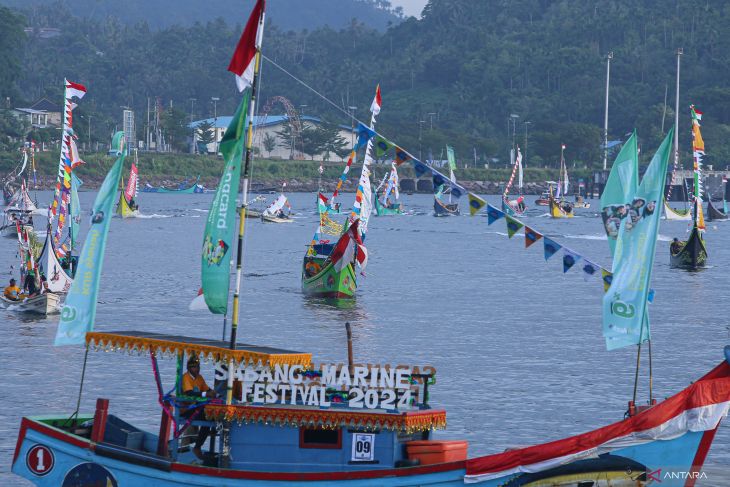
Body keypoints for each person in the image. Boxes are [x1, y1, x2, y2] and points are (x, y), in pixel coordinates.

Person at [181, 355, 218, 460]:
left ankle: (204, 435)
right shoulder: (186, 377)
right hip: (187, 409)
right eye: (194, 367)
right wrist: (206, 394)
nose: (196, 369)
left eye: (197, 366)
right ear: (189, 368)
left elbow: (207, 389)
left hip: (197, 407)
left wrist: (215, 393)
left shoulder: (199, 377)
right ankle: (197, 447)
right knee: (208, 416)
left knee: (211, 415)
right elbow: (189, 393)